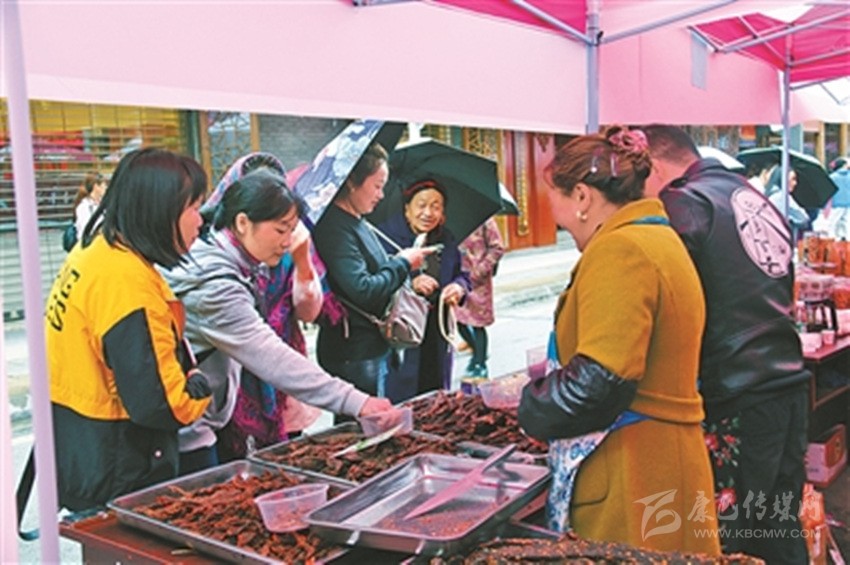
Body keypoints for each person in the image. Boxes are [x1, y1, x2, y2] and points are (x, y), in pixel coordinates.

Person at [518, 127, 719, 556]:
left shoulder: (620, 249)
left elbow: (600, 380)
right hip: (663, 462)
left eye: (553, 197)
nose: (554, 215)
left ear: (582, 196)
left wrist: (530, 406)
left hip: (635, 474)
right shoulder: (656, 236)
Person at [643, 125, 810, 563]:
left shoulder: (683, 202)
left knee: (729, 537)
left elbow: (671, 301)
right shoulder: (752, 196)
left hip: (737, 393)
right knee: (777, 524)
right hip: (787, 383)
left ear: (654, 166)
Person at [163, 168, 398, 474]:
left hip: (202, 413)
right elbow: (271, 357)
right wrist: (357, 402)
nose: (288, 242)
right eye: (280, 230)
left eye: (292, 230)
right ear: (242, 222)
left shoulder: (234, 259)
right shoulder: (215, 287)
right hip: (187, 424)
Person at [46, 148, 213, 511]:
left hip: (80, 445)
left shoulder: (94, 251)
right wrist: (200, 385)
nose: (201, 221)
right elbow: (165, 405)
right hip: (120, 466)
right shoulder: (128, 285)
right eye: (194, 208)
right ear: (160, 209)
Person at [201, 152, 325, 461]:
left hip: (282, 372)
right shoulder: (214, 263)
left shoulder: (290, 242)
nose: (285, 238)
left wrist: (302, 260)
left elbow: (310, 312)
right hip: (228, 380)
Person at [312, 142, 434, 401]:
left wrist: (402, 261)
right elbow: (363, 289)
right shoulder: (334, 228)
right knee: (363, 420)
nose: (381, 194)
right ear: (351, 182)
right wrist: (402, 264)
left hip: (371, 345)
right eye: (377, 186)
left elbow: (373, 269)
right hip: (355, 351)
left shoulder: (357, 220)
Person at [377, 179, 470, 401]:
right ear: (407, 209)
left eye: (436, 206)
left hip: (436, 329)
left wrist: (458, 287)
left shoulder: (446, 238)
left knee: (435, 392)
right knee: (402, 396)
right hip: (402, 330)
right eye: (421, 205)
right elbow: (376, 281)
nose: (428, 213)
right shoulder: (385, 237)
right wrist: (410, 283)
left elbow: (462, 275)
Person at [455, 216, 504, 378]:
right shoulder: (454, 217)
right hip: (458, 278)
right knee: (458, 320)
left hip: (478, 281)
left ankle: (480, 363)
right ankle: (477, 350)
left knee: (477, 323)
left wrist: (480, 269)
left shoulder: (485, 219)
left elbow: (497, 248)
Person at [73, 171, 108, 236]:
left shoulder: (104, 204)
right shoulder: (84, 207)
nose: (106, 188)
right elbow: (85, 230)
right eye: (104, 185)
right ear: (96, 186)